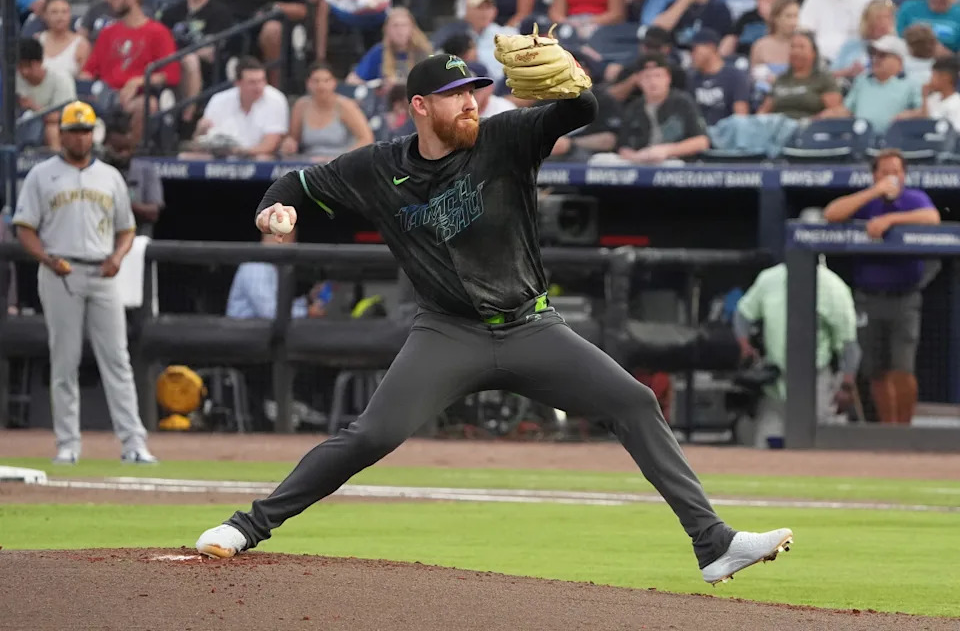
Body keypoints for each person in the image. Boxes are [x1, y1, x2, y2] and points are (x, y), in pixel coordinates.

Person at [194, 53, 792, 584]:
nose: (471, 101)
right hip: (448, 333)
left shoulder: (505, 137)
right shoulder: (376, 167)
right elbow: (295, 182)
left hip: (533, 327)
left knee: (634, 402)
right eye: (457, 95)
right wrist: (273, 209)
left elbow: (579, 110)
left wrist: (574, 81)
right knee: (370, 436)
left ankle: (713, 544)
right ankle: (248, 526)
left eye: (475, 90)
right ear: (421, 107)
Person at [11, 101, 157, 465]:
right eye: (74, 130)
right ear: (62, 133)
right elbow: (24, 227)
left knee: (118, 360)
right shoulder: (42, 175)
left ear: (94, 133)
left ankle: (133, 443)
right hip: (61, 270)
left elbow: (126, 229)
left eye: (86, 130)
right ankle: (68, 444)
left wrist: (118, 257)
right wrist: (45, 258)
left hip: (102, 270)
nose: (81, 136)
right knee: (65, 359)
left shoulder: (109, 176)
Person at [823, 148, 941, 424]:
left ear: (905, 175)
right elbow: (832, 213)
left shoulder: (914, 198)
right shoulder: (867, 200)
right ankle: (887, 430)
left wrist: (890, 220)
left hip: (905, 298)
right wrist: (874, 193)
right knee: (874, 369)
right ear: (875, 175)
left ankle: (904, 428)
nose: (891, 178)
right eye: (885, 172)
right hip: (869, 298)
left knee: (902, 368)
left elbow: (931, 218)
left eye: (896, 172)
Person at [734, 258, 861, 448]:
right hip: (775, 382)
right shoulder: (770, 279)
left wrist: (847, 384)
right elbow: (743, 314)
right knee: (765, 445)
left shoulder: (833, 286)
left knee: (818, 447)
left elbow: (848, 344)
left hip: (815, 382)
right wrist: (745, 346)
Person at [78, 0, 181, 145]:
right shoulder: (107, 33)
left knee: (147, 104)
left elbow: (171, 74)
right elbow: (89, 70)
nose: (108, 0)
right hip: (106, 95)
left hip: (137, 97)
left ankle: (129, 152)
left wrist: (139, 81)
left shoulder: (158, 32)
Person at [184, 57, 289, 160]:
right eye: (252, 82)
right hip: (221, 158)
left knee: (262, 158)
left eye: (262, 80)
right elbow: (200, 143)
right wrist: (200, 131)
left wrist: (237, 151)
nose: (259, 87)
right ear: (238, 83)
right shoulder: (219, 100)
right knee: (186, 157)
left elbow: (270, 145)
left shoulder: (276, 99)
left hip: (255, 157)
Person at [617, 54, 710, 163]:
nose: (653, 82)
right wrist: (636, 157)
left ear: (668, 78)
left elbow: (701, 141)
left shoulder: (682, 102)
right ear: (638, 80)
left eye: (658, 76)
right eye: (647, 77)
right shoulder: (633, 107)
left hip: (676, 161)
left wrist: (667, 150)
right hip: (641, 159)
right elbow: (623, 147)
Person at [280, 62, 375, 163]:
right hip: (309, 162)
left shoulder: (345, 106)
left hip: (341, 163)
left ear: (334, 83)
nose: (321, 86)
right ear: (308, 83)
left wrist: (341, 158)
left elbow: (366, 139)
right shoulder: (301, 106)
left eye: (326, 81)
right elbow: (293, 138)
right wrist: (288, 144)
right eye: (316, 81)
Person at [101, 115, 165, 236]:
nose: (124, 154)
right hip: (103, 240)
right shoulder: (98, 171)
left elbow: (153, 213)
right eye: (118, 149)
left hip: (138, 239)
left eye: (128, 149)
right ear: (106, 145)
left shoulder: (146, 170)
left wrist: (123, 205)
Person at [756, 31, 843, 119]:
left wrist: (813, 121)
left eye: (801, 47)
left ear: (813, 53)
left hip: (808, 127)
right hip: (778, 127)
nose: (795, 51)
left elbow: (836, 111)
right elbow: (764, 110)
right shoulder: (781, 79)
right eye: (792, 47)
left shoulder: (823, 79)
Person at [16, 38, 78, 151]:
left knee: (51, 130)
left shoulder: (61, 79)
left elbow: (62, 117)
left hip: (56, 126)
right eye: (20, 67)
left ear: (40, 62)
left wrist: (33, 106)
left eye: (28, 66)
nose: (24, 72)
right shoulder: (16, 79)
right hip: (24, 125)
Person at [347, 7, 434, 87]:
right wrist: (376, 84)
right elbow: (352, 80)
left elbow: (434, 81)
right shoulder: (379, 51)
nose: (400, 31)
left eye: (404, 25)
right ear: (387, 29)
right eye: (395, 26)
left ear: (412, 28)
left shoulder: (423, 51)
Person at [687, 29, 751, 126]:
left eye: (694, 49)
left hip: (727, 134)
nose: (692, 55)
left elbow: (741, 118)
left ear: (710, 47)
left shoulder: (735, 76)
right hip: (700, 135)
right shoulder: (692, 78)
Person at [831, 0, 896, 82]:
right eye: (878, 18)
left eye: (887, 18)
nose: (883, 23)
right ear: (867, 22)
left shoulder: (897, 48)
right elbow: (830, 75)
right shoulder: (852, 45)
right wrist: (848, 71)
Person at [37, 0, 91, 78]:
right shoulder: (38, 40)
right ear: (45, 15)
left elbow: (85, 76)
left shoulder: (81, 44)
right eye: (54, 12)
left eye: (64, 12)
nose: (60, 16)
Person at [924, 55, 960, 131]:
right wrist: (924, 97)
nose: (930, 79)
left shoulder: (957, 103)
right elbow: (924, 120)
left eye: (934, 75)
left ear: (946, 78)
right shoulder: (933, 97)